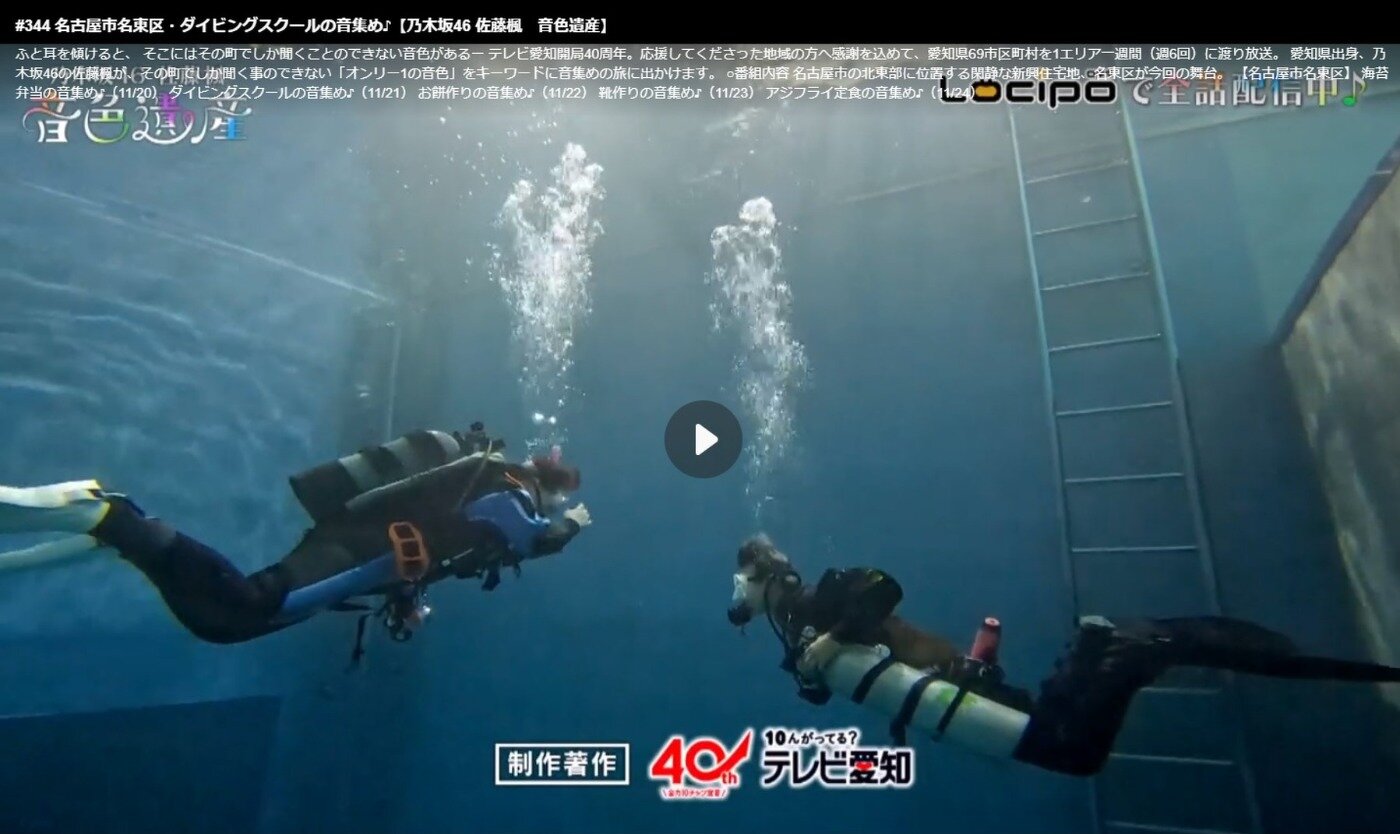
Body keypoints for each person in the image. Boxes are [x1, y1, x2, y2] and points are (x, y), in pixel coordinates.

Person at [725, 534, 1400, 776]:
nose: (743, 597)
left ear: (767, 575)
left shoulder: (827, 594)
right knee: (1062, 742)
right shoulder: (799, 631)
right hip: (950, 699)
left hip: (955, 688)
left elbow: (885, 588)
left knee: (1071, 751)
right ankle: (1099, 648)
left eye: (745, 581)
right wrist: (810, 666)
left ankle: (1116, 647)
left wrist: (829, 641)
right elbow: (827, 687)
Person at [0, 424, 592, 652]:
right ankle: (111, 516)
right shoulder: (510, 490)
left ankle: (121, 532)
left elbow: (438, 539)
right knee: (243, 608)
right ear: (549, 486)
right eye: (559, 499)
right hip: (357, 548)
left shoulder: (491, 485)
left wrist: (408, 601)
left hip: (360, 548)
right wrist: (572, 526)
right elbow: (531, 538)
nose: (555, 509)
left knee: (228, 624)